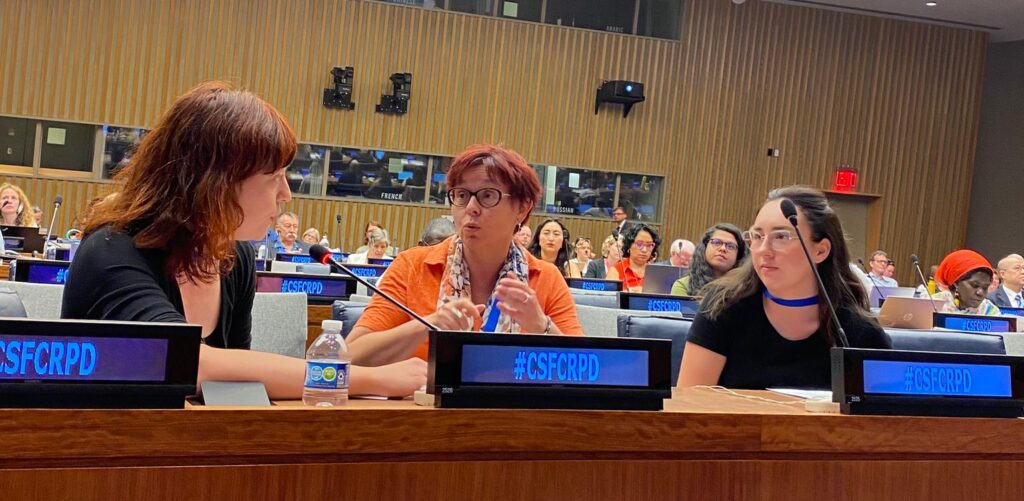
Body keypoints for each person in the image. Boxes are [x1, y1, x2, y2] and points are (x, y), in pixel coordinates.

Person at [59, 81, 425, 399]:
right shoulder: (114, 250)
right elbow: (189, 365)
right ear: (216, 183)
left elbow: (234, 384)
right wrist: (367, 378)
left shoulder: (233, 257)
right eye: (273, 177)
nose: (286, 194)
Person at [347, 144, 584, 366]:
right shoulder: (413, 266)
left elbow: (584, 372)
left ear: (522, 208)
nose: (470, 207)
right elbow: (348, 355)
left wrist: (541, 327)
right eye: (461, 195)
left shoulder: (546, 278)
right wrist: (427, 325)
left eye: (488, 195)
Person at [678, 186, 891, 389]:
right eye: (757, 236)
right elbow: (687, 409)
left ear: (821, 251)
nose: (764, 250)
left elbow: (880, 422)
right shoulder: (722, 306)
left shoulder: (860, 332)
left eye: (781, 236)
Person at [671, 224, 747, 297]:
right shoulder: (684, 286)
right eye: (716, 242)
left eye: (730, 246)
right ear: (705, 246)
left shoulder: (746, 289)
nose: (723, 248)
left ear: (738, 255)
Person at [931, 249, 1002, 316]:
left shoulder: (990, 311)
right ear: (956, 282)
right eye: (974, 285)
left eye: (985, 287)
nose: (980, 292)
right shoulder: (932, 304)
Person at [606, 223, 660, 292]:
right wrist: (630, 292)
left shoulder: (656, 272)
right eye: (639, 244)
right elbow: (609, 299)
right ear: (629, 246)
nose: (644, 250)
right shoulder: (616, 271)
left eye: (649, 245)